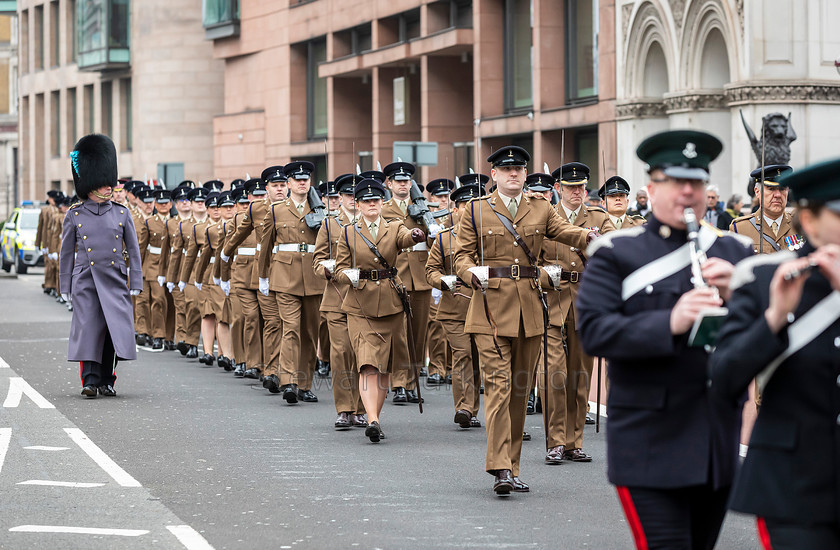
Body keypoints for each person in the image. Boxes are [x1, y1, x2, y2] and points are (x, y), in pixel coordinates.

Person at [575, 130, 754, 548]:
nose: (687, 192)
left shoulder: (735, 251)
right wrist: (670, 322)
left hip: (714, 438)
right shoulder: (616, 252)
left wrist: (740, 296)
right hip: (649, 439)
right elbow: (595, 332)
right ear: (652, 188)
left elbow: (764, 339)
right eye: (676, 181)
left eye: (696, 182)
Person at [709, 157, 840, 549]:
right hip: (794, 482)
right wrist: (774, 317)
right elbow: (723, 378)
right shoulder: (765, 277)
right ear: (812, 222)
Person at [453, 145, 594, 495]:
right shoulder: (475, 210)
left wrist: (590, 237)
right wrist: (470, 273)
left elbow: (564, 230)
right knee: (499, 388)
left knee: (518, 391)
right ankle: (499, 467)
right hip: (489, 309)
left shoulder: (541, 207)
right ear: (494, 176)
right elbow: (460, 256)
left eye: (519, 169)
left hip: (530, 309)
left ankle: (512, 466)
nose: (514, 174)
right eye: (507, 169)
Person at [332, 178, 426, 442]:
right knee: (367, 365)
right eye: (366, 201)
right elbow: (338, 270)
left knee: (384, 367)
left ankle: (375, 416)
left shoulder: (394, 226)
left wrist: (417, 234)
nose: (371, 205)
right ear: (358, 205)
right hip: (360, 304)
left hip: (391, 304)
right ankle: (372, 418)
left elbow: (406, 238)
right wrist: (348, 275)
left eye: (375, 201)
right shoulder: (349, 232)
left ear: (382, 203)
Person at [538, 162, 615, 465]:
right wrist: (546, 274)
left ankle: (574, 441)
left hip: (585, 300)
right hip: (552, 299)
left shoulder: (598, 217)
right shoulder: (544, 216)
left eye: (581, 187)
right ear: (557, 189)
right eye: (571, 188)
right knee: (553, 374)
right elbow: (531, 257)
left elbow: (613, 250)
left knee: (580, 375)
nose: (577, 192)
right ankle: (555, 441)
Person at [59, 134, 142, 398]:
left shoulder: (121, 213)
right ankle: (90, 380)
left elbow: (134, 250)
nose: (111, 188)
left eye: (111, 184)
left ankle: (108, 379)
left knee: (111, 331)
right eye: (105, 184)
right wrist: (65, 285)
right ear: (91, 185)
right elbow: (66, 254)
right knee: (89, 330)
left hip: (114, 280)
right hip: (86, 280)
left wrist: (136, 281)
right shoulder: (74, 215)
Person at [257, 161, 324, 403]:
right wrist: (262, 276)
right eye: (297, 179)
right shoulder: (276, 210)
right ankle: (290, 382)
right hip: (284, 278)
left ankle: (305, 384)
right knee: (291, 329)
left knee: (309, 332)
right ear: (289, 184)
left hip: (314, 278)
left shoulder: (320, 209)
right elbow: (265, 247)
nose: (302, 182)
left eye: (306, 178)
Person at [426, 178, 484, 429]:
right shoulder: (444, 239)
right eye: (464, 205)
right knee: (463, 356)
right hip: (454, 308)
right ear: (455, 209)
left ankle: (478, 407)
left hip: (484, 307)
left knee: (481, 358)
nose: (469, 209)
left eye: (475, 204)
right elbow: (430, 271)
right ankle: (465, 408)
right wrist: (444, 280)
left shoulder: (489, 236)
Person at [312, 173, 367, 429]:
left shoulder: (374, 223)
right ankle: (344, 409)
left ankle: (359, 408)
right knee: (341, 352)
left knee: (362, 354)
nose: (353, 200)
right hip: (336, 296)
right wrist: (327, 268)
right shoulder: (330, 224)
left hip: (366, 298)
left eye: (357, 196)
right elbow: (318, 260)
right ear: (340, 198)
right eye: (347, 196)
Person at [730, 165, 803, 254]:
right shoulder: (740, 228)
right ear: (757, 192)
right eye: (771, 189)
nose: (778, 195)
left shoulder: (800, 225)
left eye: (782, 189)